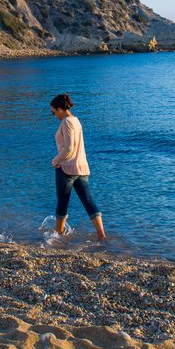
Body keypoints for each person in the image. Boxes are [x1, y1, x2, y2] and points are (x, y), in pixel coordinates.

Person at [50, 93, 107, 240]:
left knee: (62, 203)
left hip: (67, 168)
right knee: (88, 201)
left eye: (53, 112)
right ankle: (102, 236)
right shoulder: (76, 121)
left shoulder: (66, 122)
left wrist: (55, 161)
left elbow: (69, 148)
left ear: (60, 109)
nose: (54, 115)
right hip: (81, 168)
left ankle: (58, 235)